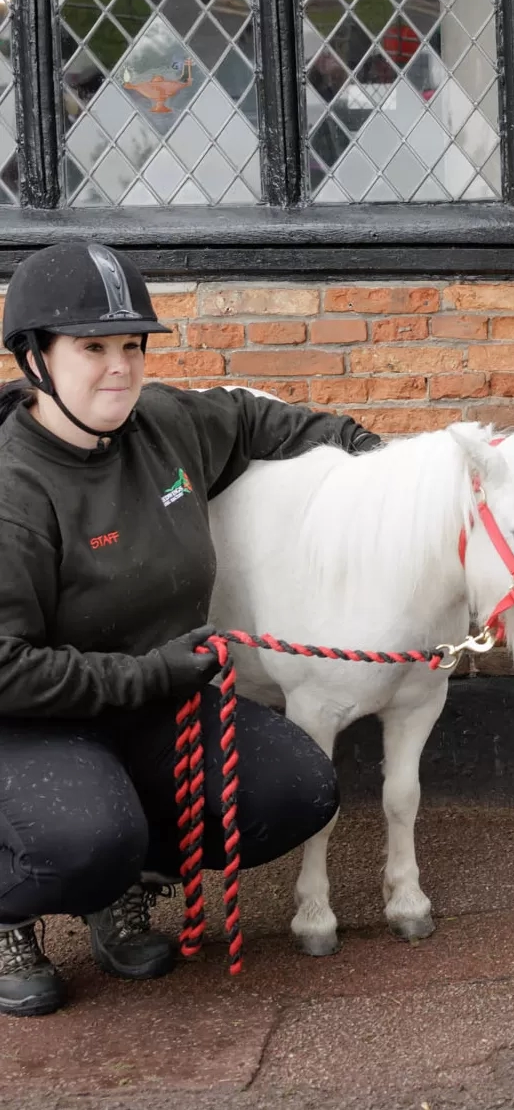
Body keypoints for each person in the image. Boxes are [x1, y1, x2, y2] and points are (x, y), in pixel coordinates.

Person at [0, 241, 383, 1016]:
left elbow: (250, 418)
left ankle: (125, 888)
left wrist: (374, 459)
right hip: (33, 720)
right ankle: (12, 913)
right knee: (83, 842)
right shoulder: (13, 488)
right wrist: (152, 675)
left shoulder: (163, 426)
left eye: (133, 346)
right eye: (93, 348)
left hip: (156, 701)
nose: (121, 367)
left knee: (296, 789)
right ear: (35, 360)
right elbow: (5, 665)